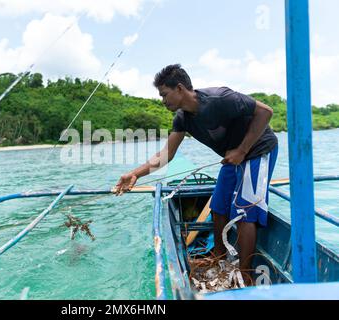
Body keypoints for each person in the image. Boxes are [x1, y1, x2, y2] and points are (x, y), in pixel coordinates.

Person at [114, 64, 278, 285]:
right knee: (218, 207)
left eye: (164, 94)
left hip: (257, 150)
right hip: (233, 157)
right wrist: (135, 174)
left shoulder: (220, 98)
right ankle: (220, 261)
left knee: (243, 210)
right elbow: (166, 154)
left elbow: (266, 112)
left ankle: (246, 276)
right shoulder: (182, 118)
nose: (162, 101)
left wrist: (242, 150)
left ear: (180, 88)